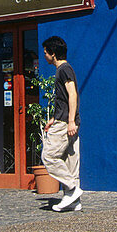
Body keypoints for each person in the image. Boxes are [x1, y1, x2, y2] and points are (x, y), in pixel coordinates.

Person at [42, 35, 81, 212]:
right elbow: (64, 100)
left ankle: (72, 188)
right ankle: (73, 201)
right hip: (65, 120)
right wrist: (53, 119)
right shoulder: (64, 69)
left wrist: (70, 120)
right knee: (70, 161)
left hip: (66, 123)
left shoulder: (64, 69)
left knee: (49, 156)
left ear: (53, 54)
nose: (44, 55)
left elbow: (72, 94)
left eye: (46, 52)